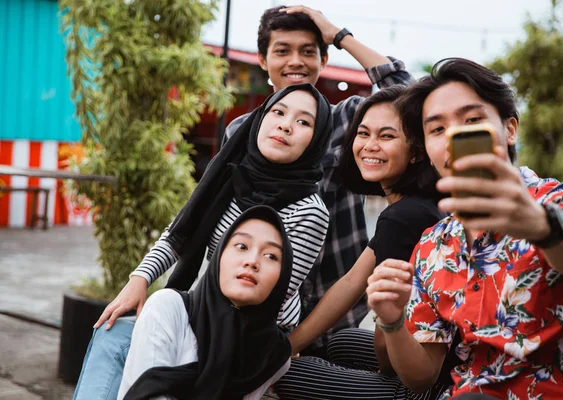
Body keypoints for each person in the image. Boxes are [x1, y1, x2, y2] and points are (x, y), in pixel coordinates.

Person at [74, 83, 331, 399]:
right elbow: (181, 231)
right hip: (207, 306)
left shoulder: (310, 210)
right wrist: (139, 279)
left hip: (258, 328)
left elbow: (270, 291)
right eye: (278, 112)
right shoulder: (228, 175)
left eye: (304, 122)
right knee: (112, 333)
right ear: (261, 118)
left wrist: (185, 319)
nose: (286, 124)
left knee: (153, 333)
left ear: (316, 141)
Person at [366, 58, 563, 399]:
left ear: (509, 129)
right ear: (427, 150)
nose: (454, 138)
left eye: (472, 121)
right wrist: (391, 321)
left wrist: (541, 225)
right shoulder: (433, 245)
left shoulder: (562, 198)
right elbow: (422, 377)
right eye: (437, 129)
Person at [223, 6, 413, 356]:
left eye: (308, 51)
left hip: (336, 301)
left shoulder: (346, 120)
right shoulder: (241, 131)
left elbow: (405, 91)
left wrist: (337, 34)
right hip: (260, 307)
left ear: (323, 59)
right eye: (282, 51)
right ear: (263, 61)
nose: (296, 61)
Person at [274, 86, 451, 400]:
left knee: (289, 375)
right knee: (341, 341)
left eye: (386, 136)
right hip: (448, 359)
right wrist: (288, 346)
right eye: (363, 133)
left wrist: (277, 361)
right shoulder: (419, 204)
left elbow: (384, 350)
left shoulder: (402, 218)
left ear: (417, 151)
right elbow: (352, 281)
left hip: (428, 386)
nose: (370, 146)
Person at [118, 205, 293, 400]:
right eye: (242, 246)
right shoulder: (168, 307)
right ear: (219, 256)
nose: (252, 261)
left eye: (271, 256)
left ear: (283, 276)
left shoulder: (274, 356)